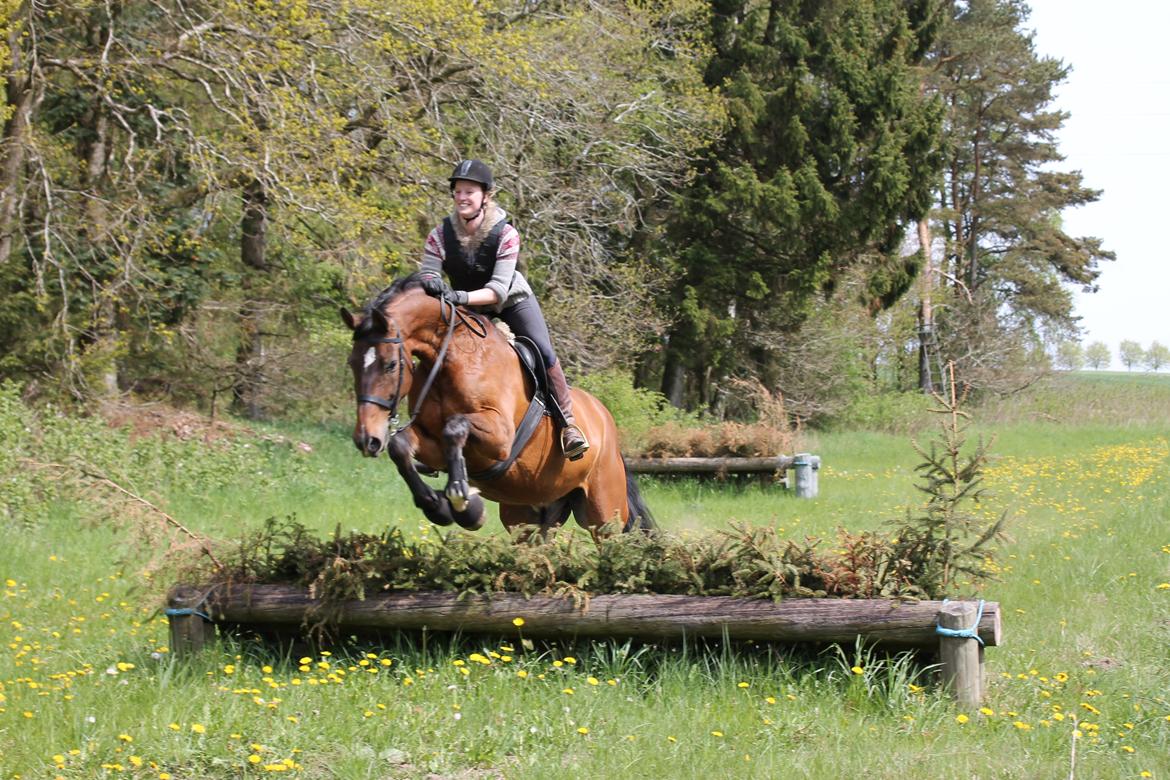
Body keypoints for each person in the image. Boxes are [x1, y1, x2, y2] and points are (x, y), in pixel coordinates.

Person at [417, 159, 590, 461]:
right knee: (436, 351)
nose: (462, 197)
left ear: (486, 196)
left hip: (510, 300)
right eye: (458, 191)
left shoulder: (506, 234)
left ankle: (568, 424)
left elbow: (497, 290)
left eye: (469, 192)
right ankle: (428, 429)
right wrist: (432, 281)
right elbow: (429, 270)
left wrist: (457, 296)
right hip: (466, 305)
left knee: (543, 351)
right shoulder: (440, 234)